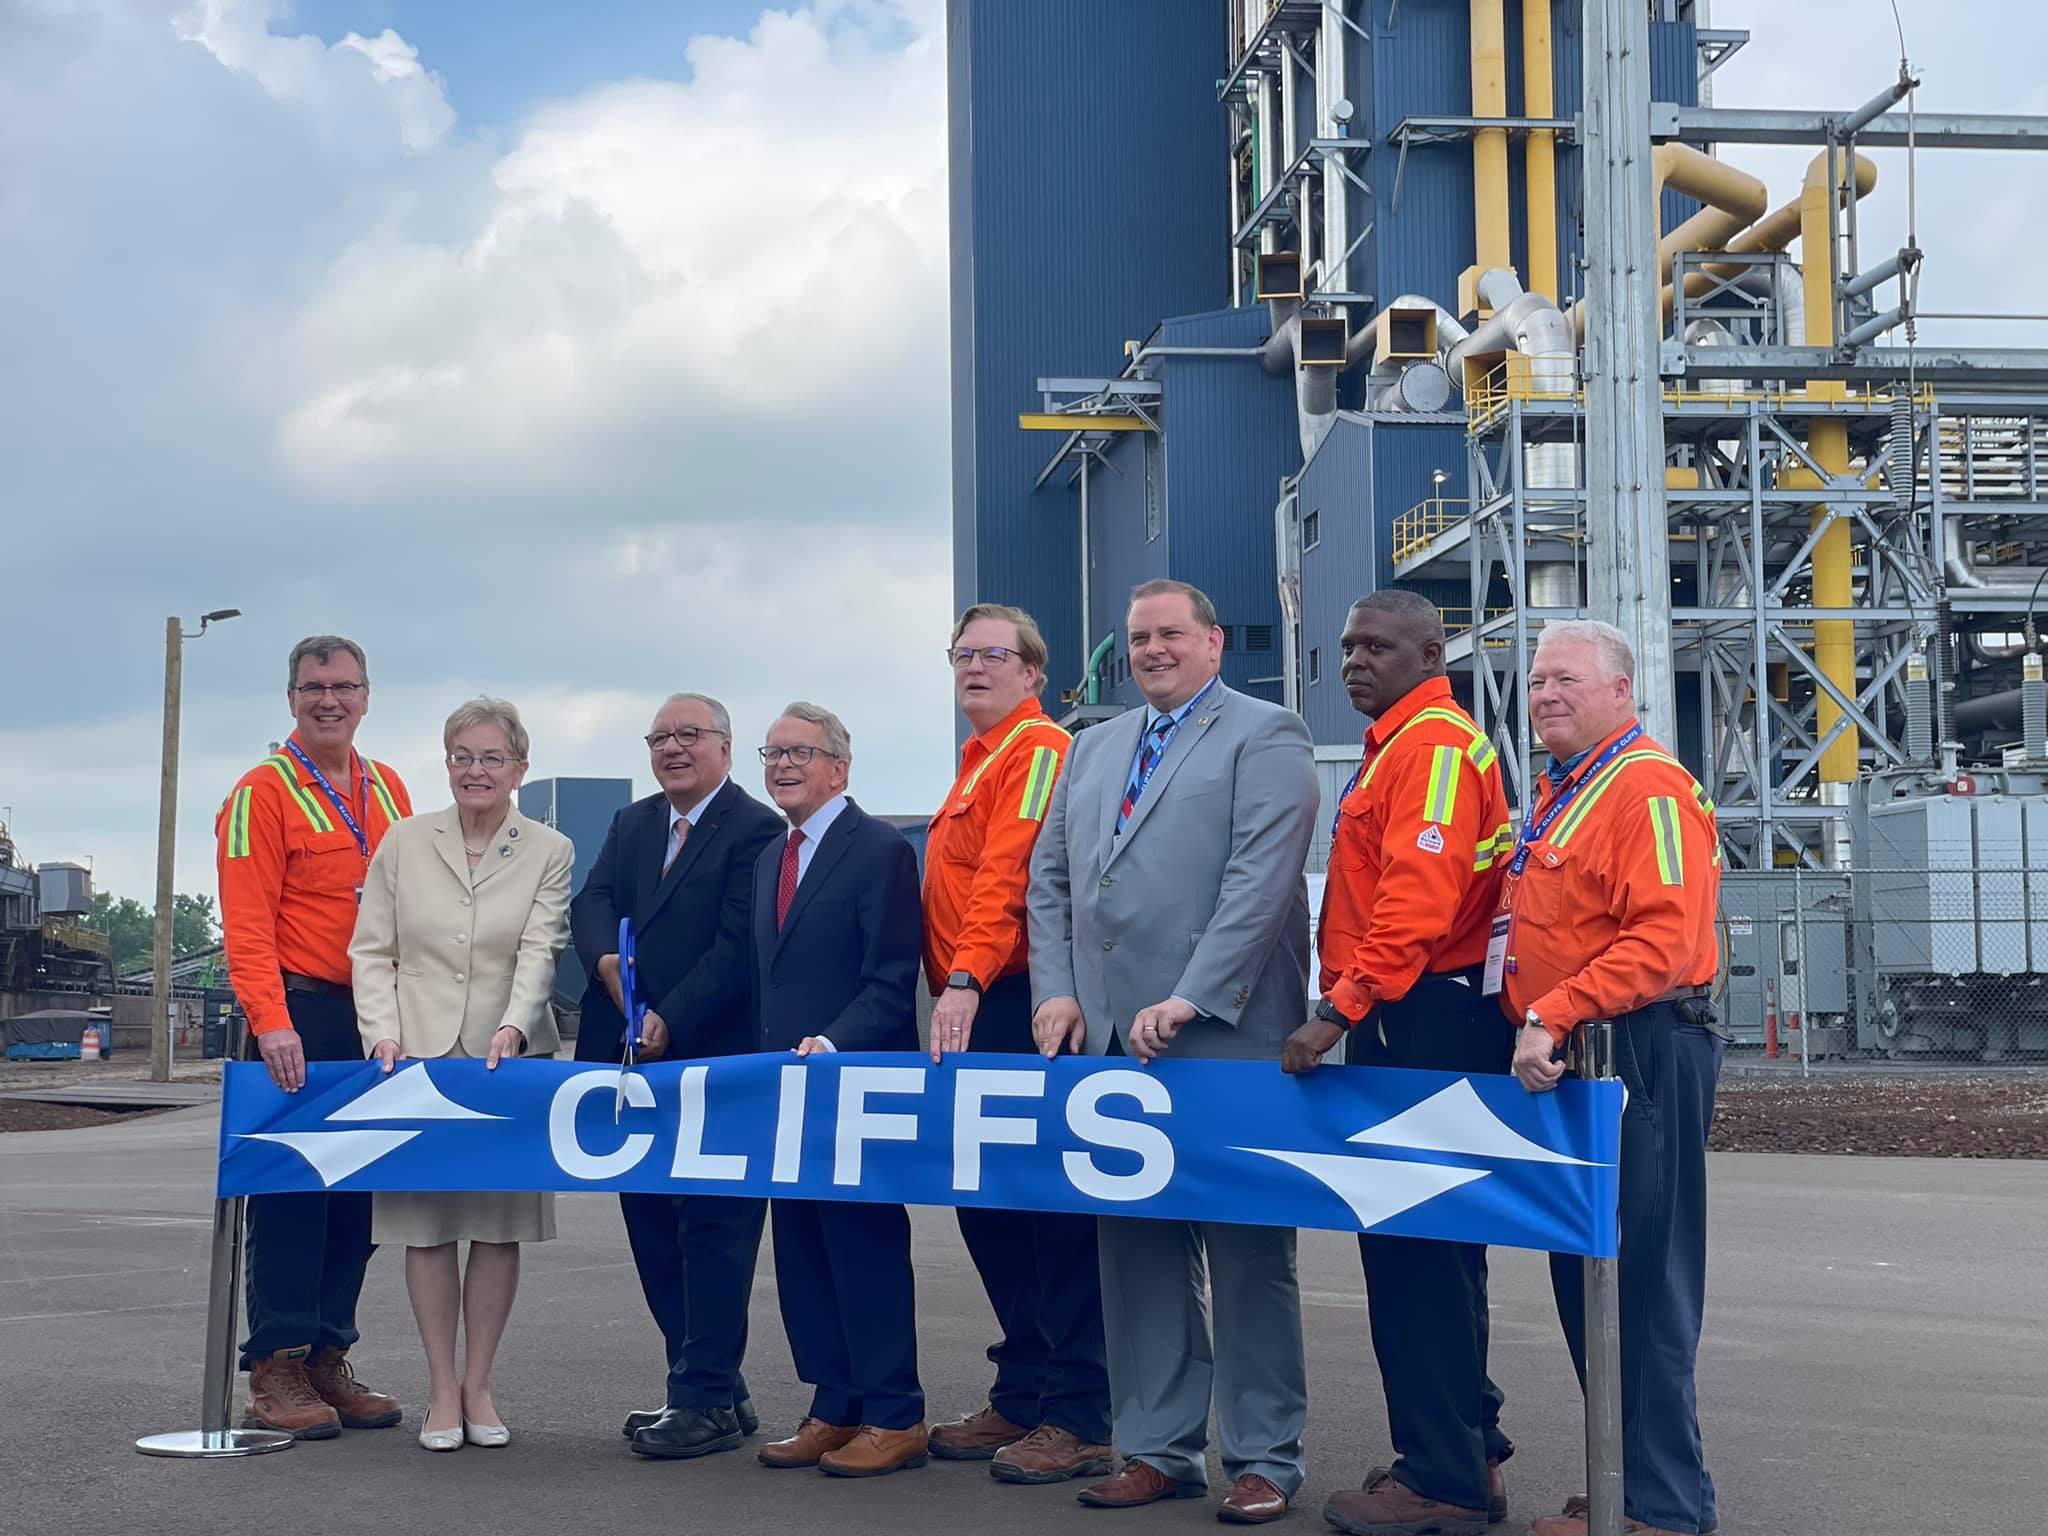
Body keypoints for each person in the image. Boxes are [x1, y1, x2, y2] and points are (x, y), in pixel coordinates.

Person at [1027, 579, 1318, 1526]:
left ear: (1213, 642)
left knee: (1246, 1256)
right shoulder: (1093, 746)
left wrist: (1192, 995)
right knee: (1136, 1253)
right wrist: (1058, 988)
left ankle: (1264, 1456)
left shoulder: (1265, 734)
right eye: (1138, 637)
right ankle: (1156, 1447)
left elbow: (1260, 880)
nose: (1152, 650)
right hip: (1113, 1041)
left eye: (1169, 635)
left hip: (1225, 1034)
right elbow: (1053, 881)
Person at [1281, 592, 1518, 1536]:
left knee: (1415, 1254)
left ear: (1433, 652)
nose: (1354, 662)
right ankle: (1472, 1452)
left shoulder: (1427, 749)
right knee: (1442, 1252)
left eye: (1376, 647)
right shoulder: (1405, 744)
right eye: (1346, 647)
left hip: (1420, 1017)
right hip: (1425, 1013)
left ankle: (1441, 1483)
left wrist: (1336, 1013)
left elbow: (1416, 906)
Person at [1499, 621, 1724, 1536]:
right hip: (1580, 1061)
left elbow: (1664, 945)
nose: (1544, 693)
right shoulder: (1565, 791)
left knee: (1640, 1283)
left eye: (1566, 679)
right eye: (1537, 679)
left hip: (1638, 1050)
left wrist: (1554, 1010)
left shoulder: (1647, 791)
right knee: (1588, 1276)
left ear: (1623, 691)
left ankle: (1664, 1507)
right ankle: (1622, 1478)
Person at [350, 697, 573, 1452]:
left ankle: (480, 1382)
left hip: (505, 1062)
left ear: (519, 767)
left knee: (498, 1227)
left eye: (491, 758)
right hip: (414, 1059)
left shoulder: (549, 848)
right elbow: (371, 951)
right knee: (427, 1227)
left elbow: (540, 950)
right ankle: (440, 1388)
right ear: (446, 763)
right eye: (462, 757)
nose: (475, 771)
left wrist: (514, 1025)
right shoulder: (404, 841)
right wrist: (383, 1035)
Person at [921, 604, 1111, 1486]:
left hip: (1014, 1001)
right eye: (962, 654)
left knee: (1047, 1213)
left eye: (994, 655)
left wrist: (963, 980)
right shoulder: (977, 761)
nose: (973, 668)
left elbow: (1012, 871)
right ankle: (1026, 1384)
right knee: (990, 1205)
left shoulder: (1037, 754)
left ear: (1035, 674)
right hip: (978, 998)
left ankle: (1079, 1411)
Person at [568, 694, 783, 1460]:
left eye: (689, 735)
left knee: (714, 1229)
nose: (672, 748)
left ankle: (702, 1397)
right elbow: (592, 901)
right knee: (651, 1224)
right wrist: (604, 970)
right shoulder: (632, 824)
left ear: (726, 747)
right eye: (659, 737)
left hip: (712, 1059)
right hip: (625, 1062)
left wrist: (670, 1017)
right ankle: (706, 1383)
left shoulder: (757, 828)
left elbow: (737, 945)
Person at [214, 634, 412, 1440]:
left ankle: (330, 1352)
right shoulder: (260, 793)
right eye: (312, 687)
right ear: (290, 699)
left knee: (356, 1201)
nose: (328, 700)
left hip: (374, 1020)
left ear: (367, 695)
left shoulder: (391, 788)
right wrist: (271, 1021)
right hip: (301, 1014)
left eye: (343, 686)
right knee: (293, 1195)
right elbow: (246, 923)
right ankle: (277, 1365)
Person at [749, 702, 928, 1479]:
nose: (783, 765)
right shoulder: (769, 856)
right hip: (785, 1092)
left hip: (857, 1082)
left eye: (800, 752)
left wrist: (832, 1041)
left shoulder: (880, 849)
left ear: (840, 768)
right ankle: (834, 1404)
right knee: (801, 1249)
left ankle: (895, 1414)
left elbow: (892, 979)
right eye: (774, 752)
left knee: (864, 1249)